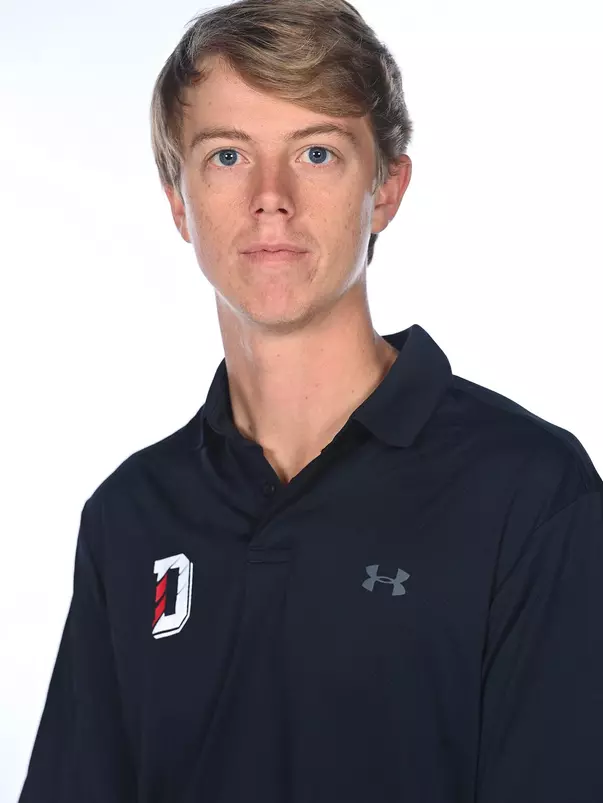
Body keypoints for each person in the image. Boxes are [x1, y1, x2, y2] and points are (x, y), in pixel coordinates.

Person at [18, 0, 603, 801]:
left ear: (386, 188)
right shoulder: (129, 517)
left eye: (317, 153)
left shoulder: (529, 491)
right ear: (178, 200)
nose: (270, 196)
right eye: (226, 156)